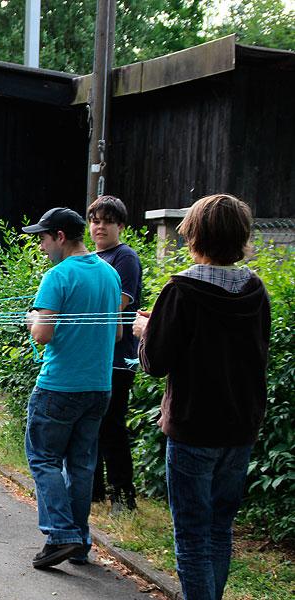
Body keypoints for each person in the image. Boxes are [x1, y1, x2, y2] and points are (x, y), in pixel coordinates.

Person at [134, 194, 269, 600]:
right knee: (219, 529)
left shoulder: (181, 290)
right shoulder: (255, 290)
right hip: (240, 427)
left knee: (192, 535)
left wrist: (146, 332)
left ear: (193, 235)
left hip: (194, 427)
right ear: (240, 237)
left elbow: (155, 363)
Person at [21, 207, 121, 569]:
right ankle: (79, 543)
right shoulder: (110, 274)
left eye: (43, 239)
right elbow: (118, 333)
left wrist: (33, 320)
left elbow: (43, 335)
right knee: (81, 465)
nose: (41, 247)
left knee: (43, 458)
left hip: (59, 386)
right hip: (99, 387)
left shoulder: (57, 276)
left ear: (60, 237)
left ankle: (61, 534)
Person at [86, 196, 142, 513]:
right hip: (93, 356)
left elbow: (117, 303)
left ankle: (123, 495)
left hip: (118, 358)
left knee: (112, 426)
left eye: (107, 221)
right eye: (95, 221)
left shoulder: (125, 257)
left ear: (120, 226)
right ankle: (93, 491)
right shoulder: (92, 258)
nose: (100, 227)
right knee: (91, 425)